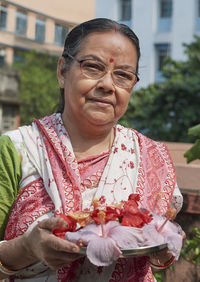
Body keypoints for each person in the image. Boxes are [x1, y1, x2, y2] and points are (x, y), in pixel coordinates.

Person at [0, 18, 183, 282]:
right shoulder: (18, 150)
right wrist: (28, 247)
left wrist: (163, 250)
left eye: (122, 75)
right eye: (93, 68)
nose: (108, 85)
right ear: (63, 71)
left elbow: (153, 258)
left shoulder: (150, 157)